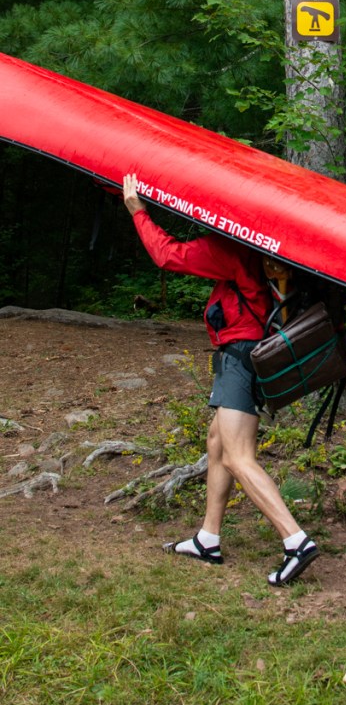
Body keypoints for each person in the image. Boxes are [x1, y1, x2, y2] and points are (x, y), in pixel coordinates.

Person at [122, 173, 319, 586]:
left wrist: (138, 211)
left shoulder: (230, 249)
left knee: (237, 455)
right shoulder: (258, 245)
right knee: (217, 443)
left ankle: (295, 540)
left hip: (240, 359)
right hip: (253, 356)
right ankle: (208, 539)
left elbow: (168, 255)